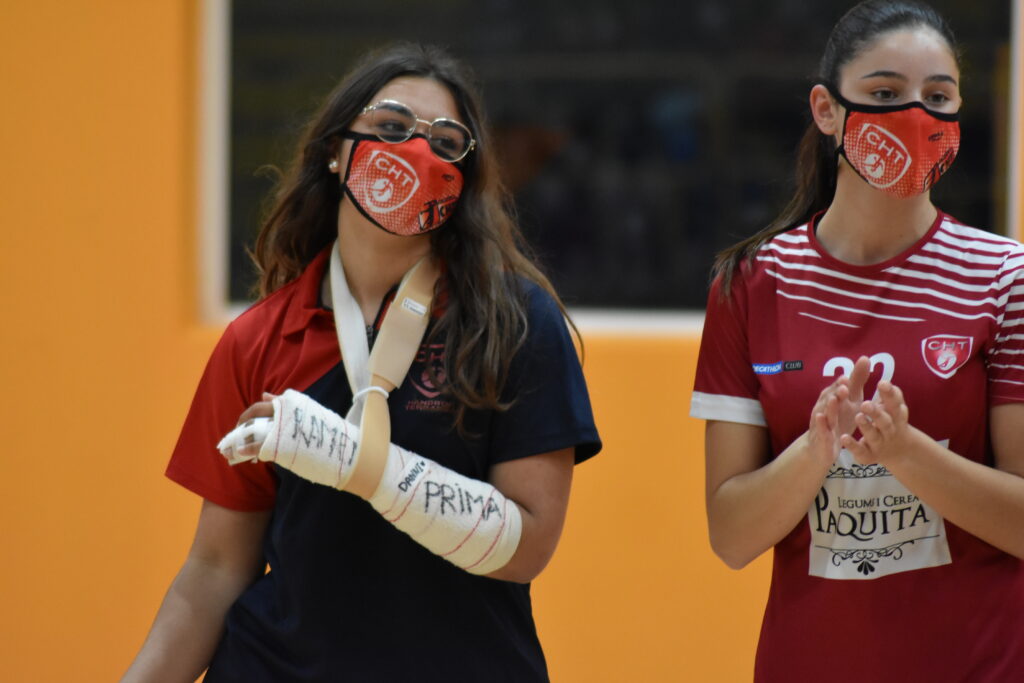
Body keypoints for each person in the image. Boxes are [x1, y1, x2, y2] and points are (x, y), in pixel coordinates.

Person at [123, 43, 601, 683]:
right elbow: (214, 570)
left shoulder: (515, 324)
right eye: (392, 127)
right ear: (334, 149)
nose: (417, 152)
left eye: (446, 141)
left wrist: (353, 463)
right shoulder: (260, 339)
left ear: (464, 177)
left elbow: (526, 547)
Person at [689, 1, 1024, 681]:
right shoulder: (751, 283)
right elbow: (731, 536)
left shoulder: (1004, 278)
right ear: (826, 109)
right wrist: (815, 451)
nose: (915, 115)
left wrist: (905, 452)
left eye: (938, 97)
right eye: (884, 93)